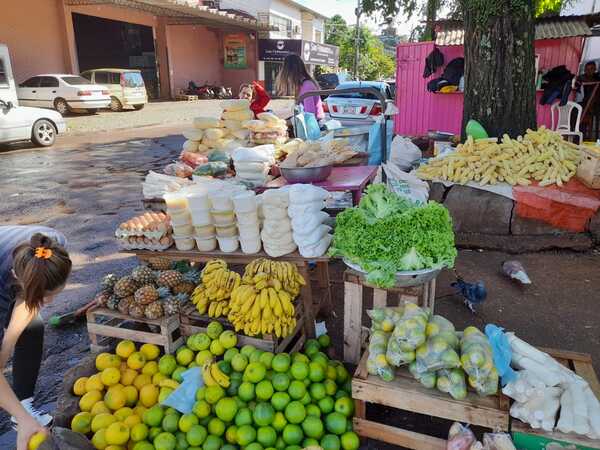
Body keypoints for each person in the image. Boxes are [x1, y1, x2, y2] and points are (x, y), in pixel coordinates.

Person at [0, 226, 72, 450]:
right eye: (45, 296)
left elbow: (28, 302)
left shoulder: (53, 247)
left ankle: (22, 403)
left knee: (32, 325)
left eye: (54, 295)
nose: (49, 302)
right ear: (16, 277)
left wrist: (6, 350)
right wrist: (24, 421)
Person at [275, 54, 324, 120]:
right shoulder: (300, 85)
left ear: (289, 71)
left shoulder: (307, 85)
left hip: (313, 124)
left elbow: (310, 116)